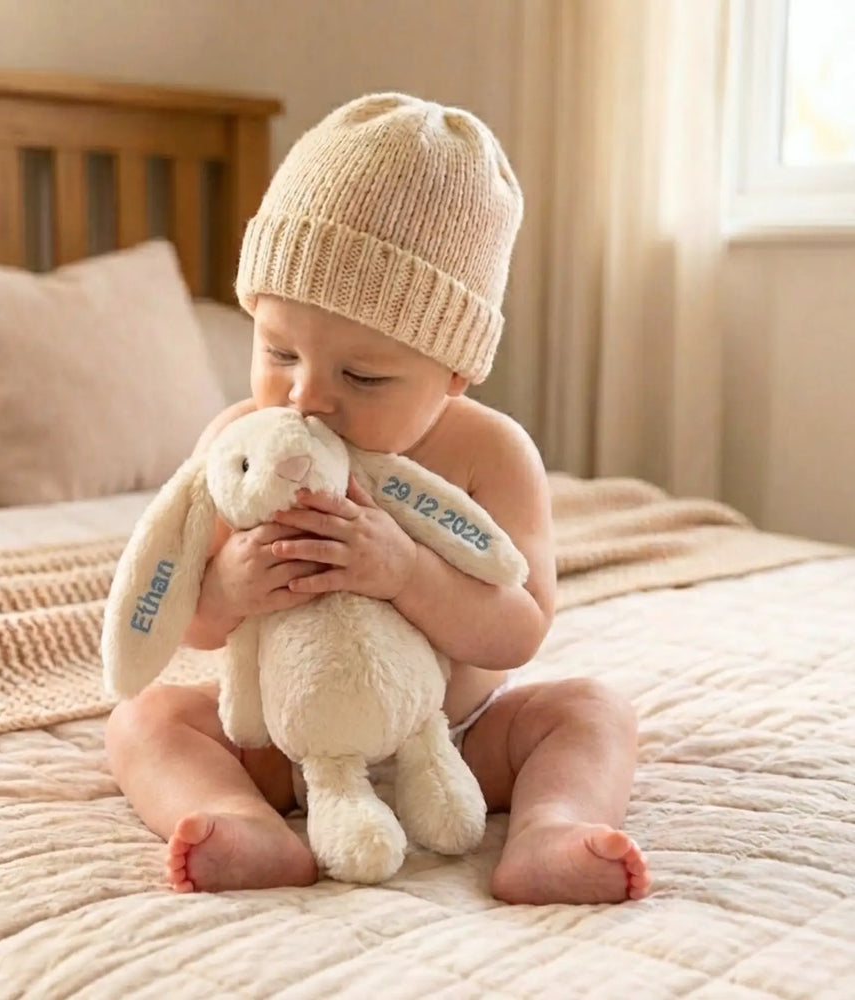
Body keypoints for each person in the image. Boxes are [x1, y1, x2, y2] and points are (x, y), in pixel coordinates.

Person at [105, 93, 651, 905]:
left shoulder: (490, 453)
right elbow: (190, 616)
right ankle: (236, 816)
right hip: (286, 742)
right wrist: (229, 588)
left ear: (455, 372)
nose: (305, 398)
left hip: (459, 739)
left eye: (362, 376)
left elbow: (520, 628)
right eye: (279, 350)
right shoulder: (247, 441)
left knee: (595, 711)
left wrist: (406, 574)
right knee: (145, 720)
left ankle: (551, 828)